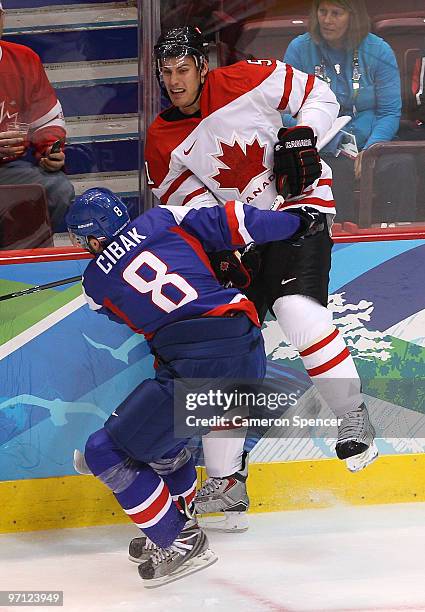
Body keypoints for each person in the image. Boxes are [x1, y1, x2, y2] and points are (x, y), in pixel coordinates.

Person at [142, 25, 378, 538]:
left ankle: (353, 415)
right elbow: (184, 204)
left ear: (202, 66)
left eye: (184, 69)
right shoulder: (161, 137)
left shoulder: (249, 77)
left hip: (298, 210)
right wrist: (219, 243)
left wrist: (303, 134)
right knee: (224, 353)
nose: (176, 81)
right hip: (245, 237)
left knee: (295, 310)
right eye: (167, 72)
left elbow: (320, 94)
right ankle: (227, 482)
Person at [66, 187, 321, 587]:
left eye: (83, 241)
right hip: (245, 351)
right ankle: (174, 522)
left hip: (197, 365)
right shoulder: (163, 218)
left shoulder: (93, 285)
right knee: (162, 446)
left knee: (105, 451)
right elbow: (238, 221)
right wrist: (300, 222)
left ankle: (180, 540)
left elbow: (124, 311)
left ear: (95, 239)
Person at [283, 0, 417, 224]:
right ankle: (337, 242)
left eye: (336, 13)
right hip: (323, 146)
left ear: (353, 17)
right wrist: (314, 135)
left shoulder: (378, 50)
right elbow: (286, 110)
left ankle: (399, 243)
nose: (326, 20)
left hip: (370, 142)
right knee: (333, 171)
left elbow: (389, 112)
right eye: (322, 12)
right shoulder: (299, 49)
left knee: (402, 165)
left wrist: (372, 149)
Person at [0, 1, 74, 232]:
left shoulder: (24, 59)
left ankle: (20, 257)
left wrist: (50, 151)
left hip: (10, 171)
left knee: (58, 189)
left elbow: (46, 120)